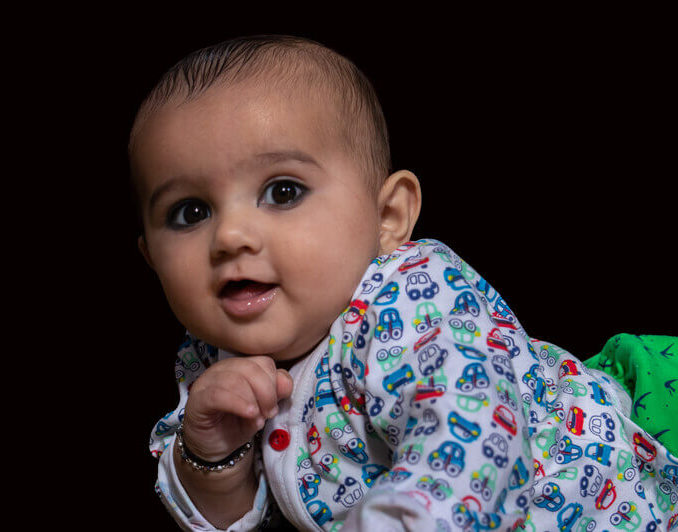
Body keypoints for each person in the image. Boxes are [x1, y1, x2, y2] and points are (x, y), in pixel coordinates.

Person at [130, 35, 678, 531]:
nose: (229, 235)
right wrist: (209, 458)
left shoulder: (415, 298)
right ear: (151, 256)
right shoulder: (209, 361)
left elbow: (470, 435)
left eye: (282, 192)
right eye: (190, 211)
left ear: (388, 216)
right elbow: (220, 520)